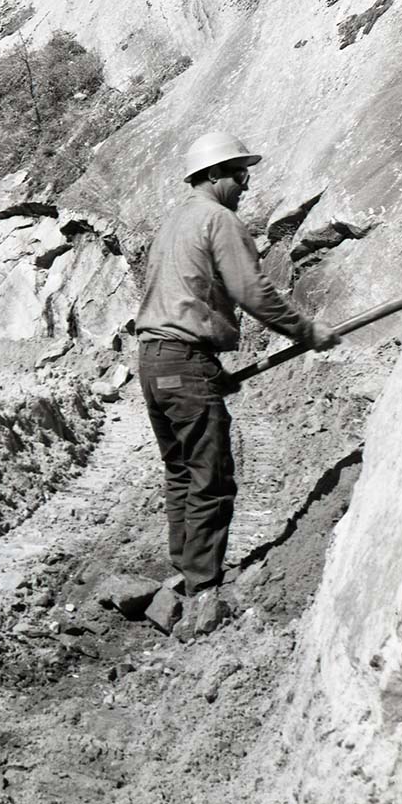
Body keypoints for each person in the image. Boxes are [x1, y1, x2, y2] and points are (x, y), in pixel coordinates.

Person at [135, 131, 339, 601]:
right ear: (212, 176)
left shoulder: (173, 222)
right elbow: (253, 292)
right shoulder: (218, 219)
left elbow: (178, 298)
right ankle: (202, 589)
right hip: (184, 359)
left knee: (182, 470)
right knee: (210, 474)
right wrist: (308, 331)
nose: (245, 184)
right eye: (238, 173)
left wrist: (204, 367)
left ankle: (185, 574)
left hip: (154, 359)